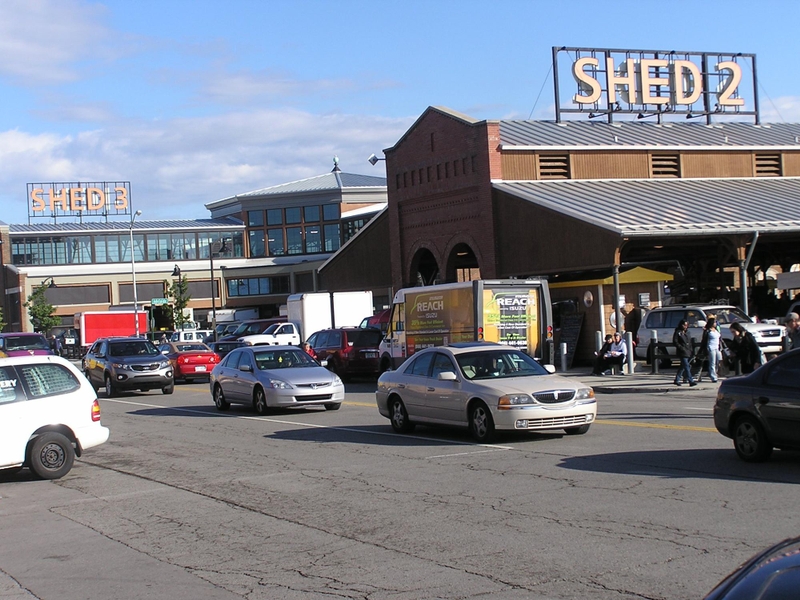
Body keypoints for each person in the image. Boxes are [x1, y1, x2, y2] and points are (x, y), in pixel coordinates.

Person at [673, 320, 697, 387]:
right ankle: (691, 380)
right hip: (682, 352)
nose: (685, 327)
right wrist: (681, 348)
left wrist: (691, 350)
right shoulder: (678, 332)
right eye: (684, 325)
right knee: (686, 366)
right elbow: (675, 341)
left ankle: (677, 379)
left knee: (683, 366)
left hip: (688, 351)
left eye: (686, 325)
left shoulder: (687, 332)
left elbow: (689, 342)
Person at [703, 317, 722, 383]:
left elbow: (720, 338)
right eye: (714, 322)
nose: (715, 323)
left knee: (718, 361)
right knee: (712, 363)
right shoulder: (708, 331)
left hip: (717, 347)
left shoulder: (716, 329)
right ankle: (713, 377)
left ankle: (716, 373)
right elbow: (704, 340)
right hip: (711, 347)